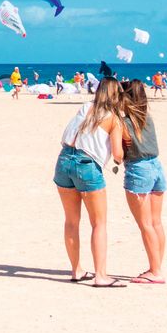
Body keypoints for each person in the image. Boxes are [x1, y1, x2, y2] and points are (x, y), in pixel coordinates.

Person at [53, 78, 126, 287]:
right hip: (86, 165)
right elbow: (118, 156)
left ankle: (76, 270)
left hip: (64, 160)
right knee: (99, 223)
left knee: (71, 221)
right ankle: (100, 275)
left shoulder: (86, 107)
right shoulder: (113, 118)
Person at [120, 79, 167, 283]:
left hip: (139, 169)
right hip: (156, 166)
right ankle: (156, 266)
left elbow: (119, 153)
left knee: (145, 224)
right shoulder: (147, 118)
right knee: (156, 222)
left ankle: (155, 272)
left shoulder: (124, 123)